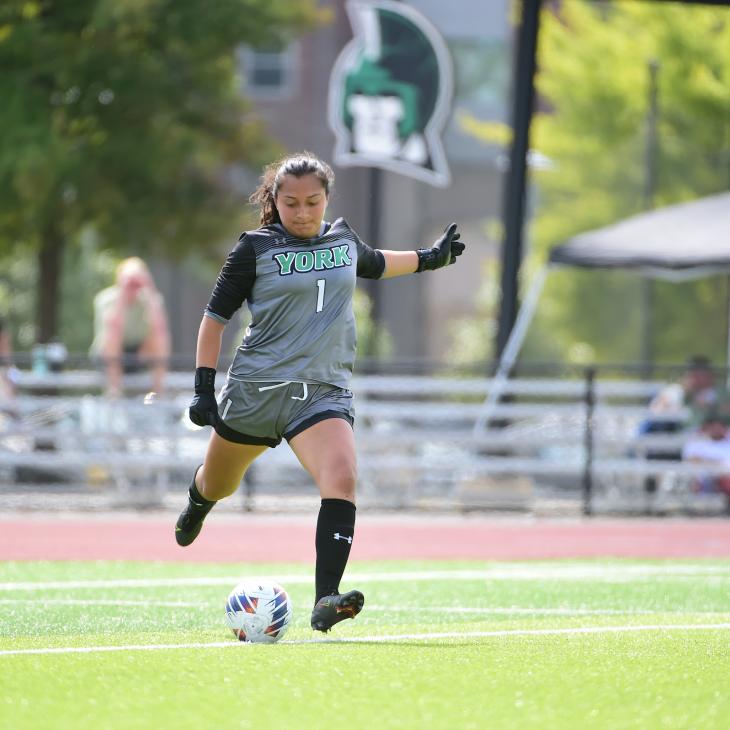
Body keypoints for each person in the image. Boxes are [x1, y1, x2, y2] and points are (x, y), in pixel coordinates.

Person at [174, 151, 465, 633]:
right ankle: (199, 499)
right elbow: (214, 320)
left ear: (327, 198)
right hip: (257, 391)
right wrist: (203, 389)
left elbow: (374, 262)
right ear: (275, 201)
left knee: (342, 478)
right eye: (291, 204)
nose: (303, 212)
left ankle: (326, 598)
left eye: (312, 202)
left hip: (322, 393)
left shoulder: (343, 240)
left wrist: (430, 258)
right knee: (220, 484)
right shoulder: (254, 248)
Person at [90, 257, 171, 396]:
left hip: (137, 354)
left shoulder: (150, 300)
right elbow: (112, 327)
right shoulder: (106, 299)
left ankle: (159, 392)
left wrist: (149, 288)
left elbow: (160, 328)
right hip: (108, 357)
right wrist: (123, 294)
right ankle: (114, 392)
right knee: (113, 336)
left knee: (159, 337)